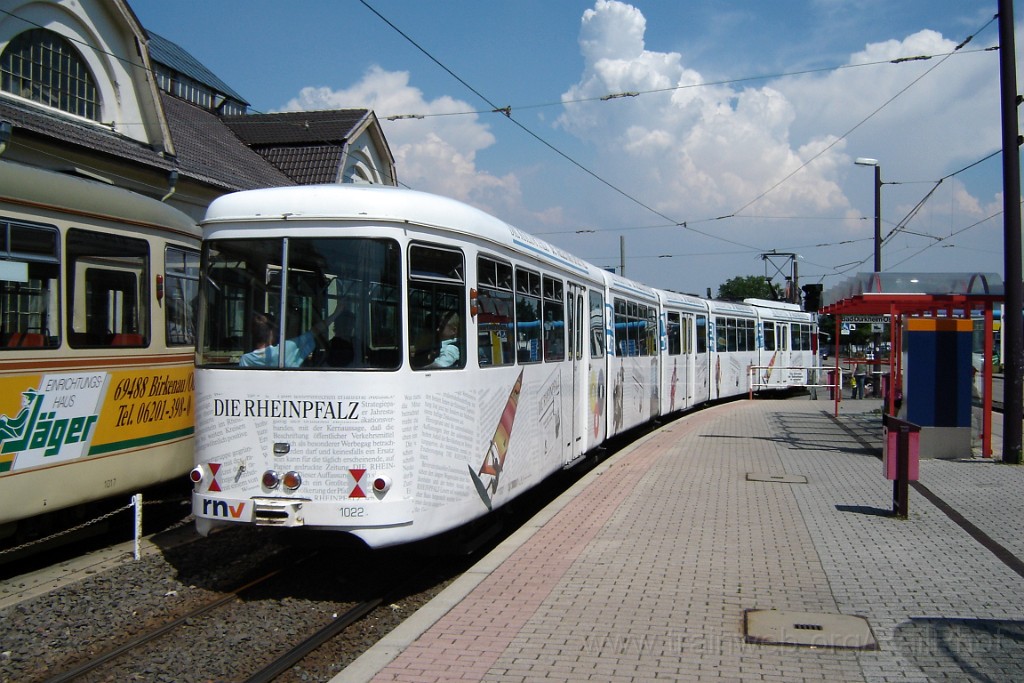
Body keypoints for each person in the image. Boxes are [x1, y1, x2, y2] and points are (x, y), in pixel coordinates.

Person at [239, 308, 341, 368]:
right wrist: (336, 312)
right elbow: (315, 331)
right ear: (272, 332)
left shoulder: (245, 360)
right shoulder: (285, 349)